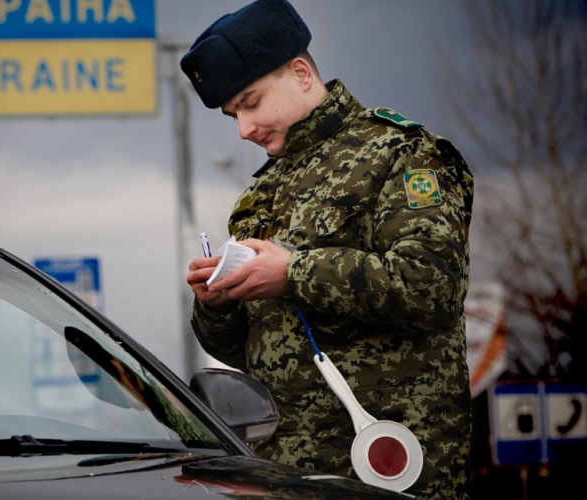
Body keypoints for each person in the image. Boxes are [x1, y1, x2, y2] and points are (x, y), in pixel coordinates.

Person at [180, 1, 474, 499]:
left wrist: (293, 272)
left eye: (250, 102)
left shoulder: (402, 152)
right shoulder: (259, 194)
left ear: (300, 73)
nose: (244, 130)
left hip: (386, 469)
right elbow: (246, 352)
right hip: (284, 473)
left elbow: (433, 284)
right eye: (233, 115)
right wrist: (218, 304)